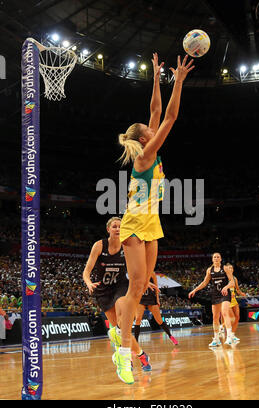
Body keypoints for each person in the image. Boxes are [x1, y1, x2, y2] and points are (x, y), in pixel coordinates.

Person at [115, 53, 194, 384]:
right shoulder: (146, 157)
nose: (153, 125)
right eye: (148, 128)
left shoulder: (149, 150)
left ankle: (124, 332)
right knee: (135, 286)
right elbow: (171, 115)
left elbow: (157, 111)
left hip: (152, 226)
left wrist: (155, 79)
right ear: (143, 138)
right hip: (134, 223)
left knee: (143, 285)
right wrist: (178, 81)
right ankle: (122, 353)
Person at [82, 216, 152, 381]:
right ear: (108, 229)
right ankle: (142, 355)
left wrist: (146, 280)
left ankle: (125, 358)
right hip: (103, 291)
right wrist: (88, 283)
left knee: (123, 324)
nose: (118, 229)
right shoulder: (99, 245)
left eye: (120, 226)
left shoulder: (126, 246)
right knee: (121, 332)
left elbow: (138, 266)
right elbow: (86, 270)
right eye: (114, 226)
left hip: (121, 287)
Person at [188, 253, 235, 346]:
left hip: (225, 293)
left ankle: (229, 337)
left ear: (221, 259)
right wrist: (195, 290)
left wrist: (226, 287)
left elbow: (232, 281)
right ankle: (216, 339)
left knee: (225, 312)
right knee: (215, 317)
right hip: (215, 294)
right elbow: (204, 282)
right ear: (212, 259)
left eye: (218, 257)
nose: (216, 258)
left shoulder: (225, 268)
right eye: (214, 257)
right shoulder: (210, 270)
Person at [134, 272, 178, 345]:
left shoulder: (152, 273)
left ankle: (171, 336)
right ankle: (136, 342)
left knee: (159, 320)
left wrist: (157, 299)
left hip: (151, 298)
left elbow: (156, 286)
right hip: (141, 298)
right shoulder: (138, 271)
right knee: (138, 319)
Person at [225, 264, 246, 342]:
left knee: (237, 317)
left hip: (234, 300)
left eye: (231, 268)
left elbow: (237, 289)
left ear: (233, 270)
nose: (230, 269)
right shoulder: (224, 278)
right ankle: (228, 335)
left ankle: (233, 335)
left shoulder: (234, 278)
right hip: (226, 300)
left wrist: (241, 293)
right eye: (228, 268)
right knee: (232, 318)